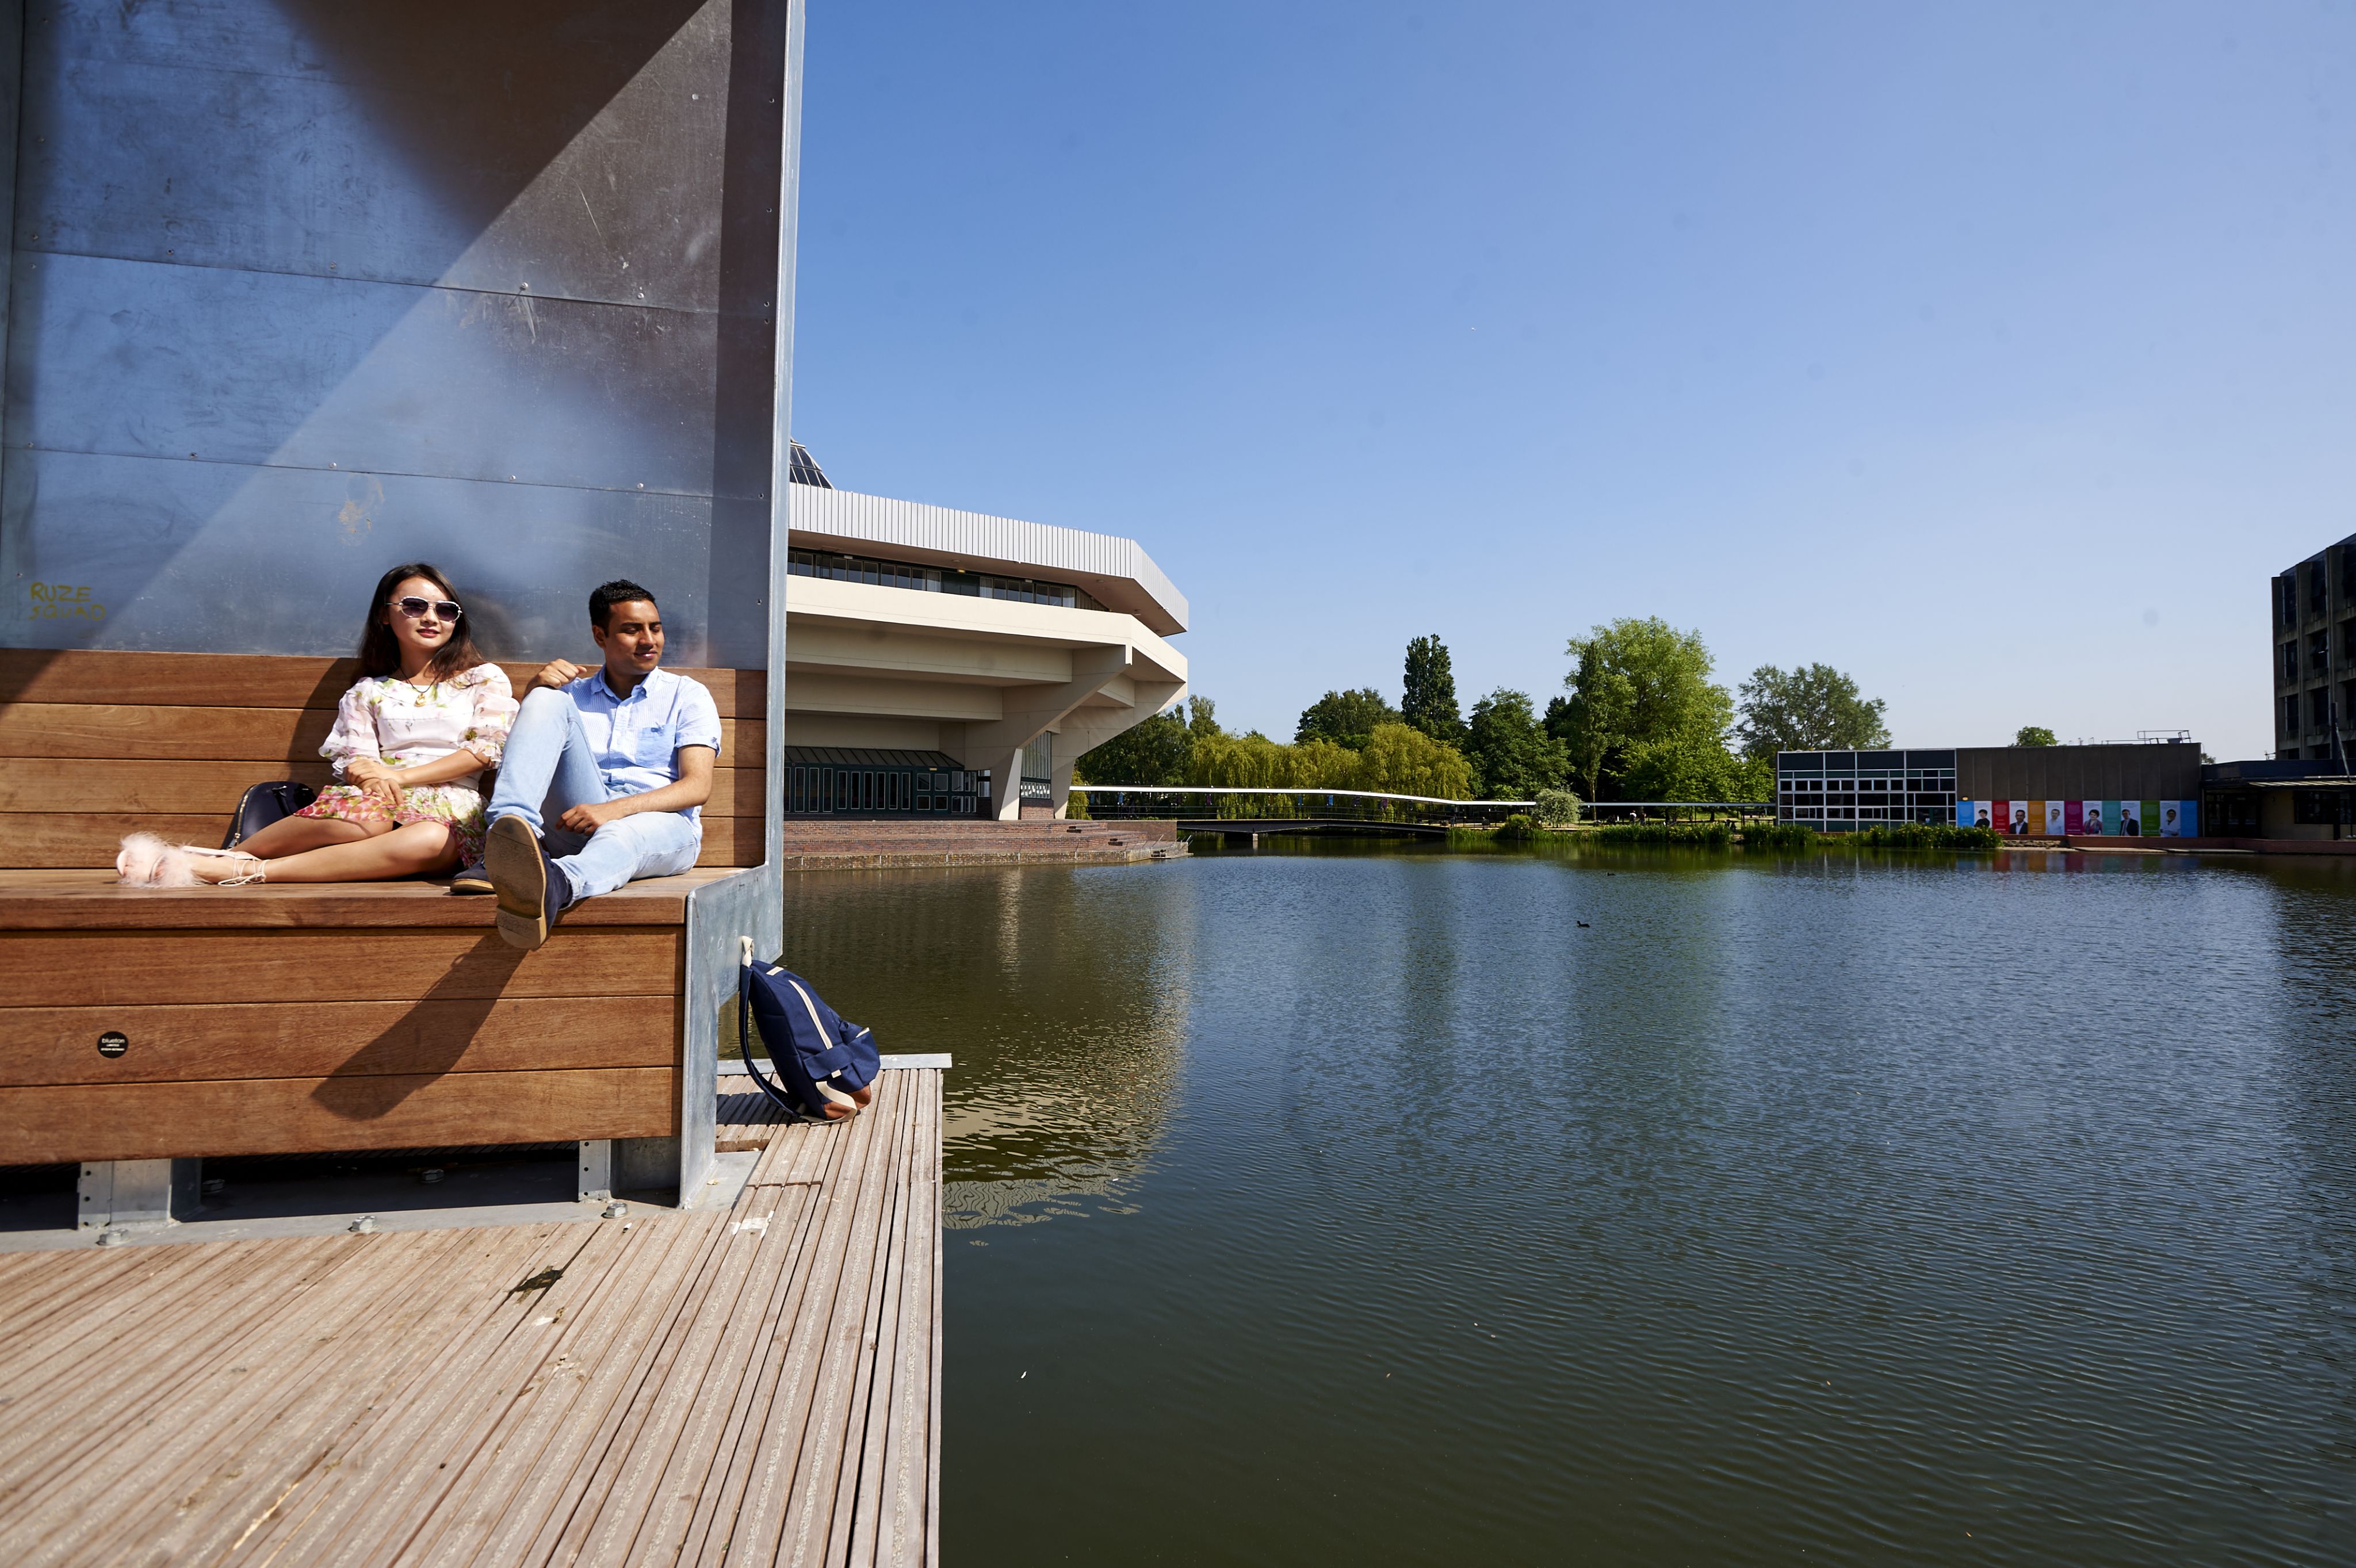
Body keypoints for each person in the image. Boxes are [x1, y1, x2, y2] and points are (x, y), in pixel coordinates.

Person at [114, 563, 517, 886]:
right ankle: (226, 857)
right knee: (368, 817)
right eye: (415, 606)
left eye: (445, 610)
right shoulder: (367, 692)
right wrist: (366, 773)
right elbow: (356, 760)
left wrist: (402, 777)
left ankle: (245, 868)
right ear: (384, 615)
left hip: (451, 808)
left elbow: (484, 752)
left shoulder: (483, 679)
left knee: (429, 838)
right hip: (378, 800)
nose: (432, 618)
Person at [472, 579, 718, 950]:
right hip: (574, 820)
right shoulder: (572, 694)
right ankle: (508, 843)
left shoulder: (687, 694)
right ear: (600, 636)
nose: (649, 640)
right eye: (632, 630)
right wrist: (534, 692)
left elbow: (697, 787)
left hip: (661, 826)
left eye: (655, 627)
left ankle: (556, 885)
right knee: (545, 699)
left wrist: (614, 810)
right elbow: (532, 757)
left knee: (621, 834)